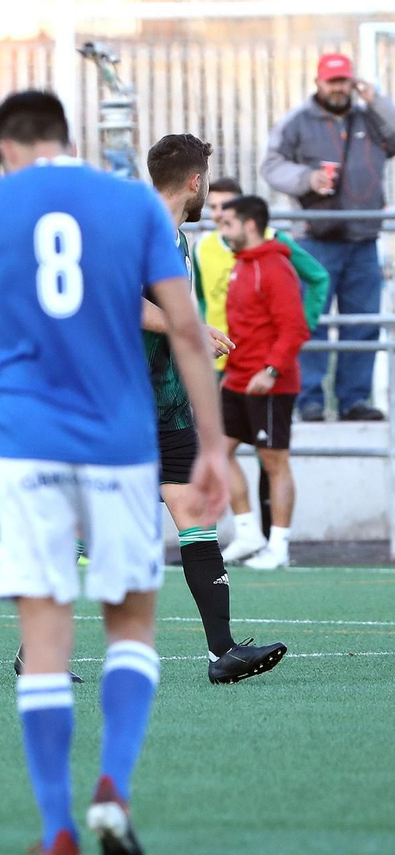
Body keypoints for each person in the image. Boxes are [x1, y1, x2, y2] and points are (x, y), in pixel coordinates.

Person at [0, 90, 227, 855]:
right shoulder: (133, 206)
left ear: (4, 145)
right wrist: (212, 443)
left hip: (27, 443)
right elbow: (184, 327)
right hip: (120, 443)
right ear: (65, 138)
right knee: (131, 623)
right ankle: (115, 785)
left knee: (45, 637)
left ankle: (58, 834)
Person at [140, 136, 287, 681]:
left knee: (196, 518)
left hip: (167, 408)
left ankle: (221, 653)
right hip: (123, 406)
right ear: (196, 182)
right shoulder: (145, 230)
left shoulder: (173, 235)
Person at [261, 53, 395, 422]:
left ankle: (354, 401)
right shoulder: (297, 122)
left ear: (353, 81)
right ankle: (310, 400)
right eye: (331, 81)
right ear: (317, 82)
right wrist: (307, 179)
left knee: (364, 322)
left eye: (344, 81)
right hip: (314, 240)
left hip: (363, 240)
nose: (338, 88)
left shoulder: (370, 115)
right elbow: (271, 166)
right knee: (310, 321)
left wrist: (377, 100)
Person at [216, 196, 311, 571]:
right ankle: (247, 533)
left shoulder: (274, 267)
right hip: (237, 378)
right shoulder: (241, 266)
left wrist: (270, 370)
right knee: (217, 451)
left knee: (274, 462)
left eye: (228, 224)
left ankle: (280, 546)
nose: (222, 231)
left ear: (250, 225)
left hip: (270, 383)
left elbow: (294, 328)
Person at [197, 178, 328, 380]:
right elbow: (202, 297)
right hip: (218, 362)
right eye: (213, 207)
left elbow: (318, 278)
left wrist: (304, 325)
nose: (220, 213)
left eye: (226, 206)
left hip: (261, 362)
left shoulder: (273, 239)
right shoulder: (201, 247)